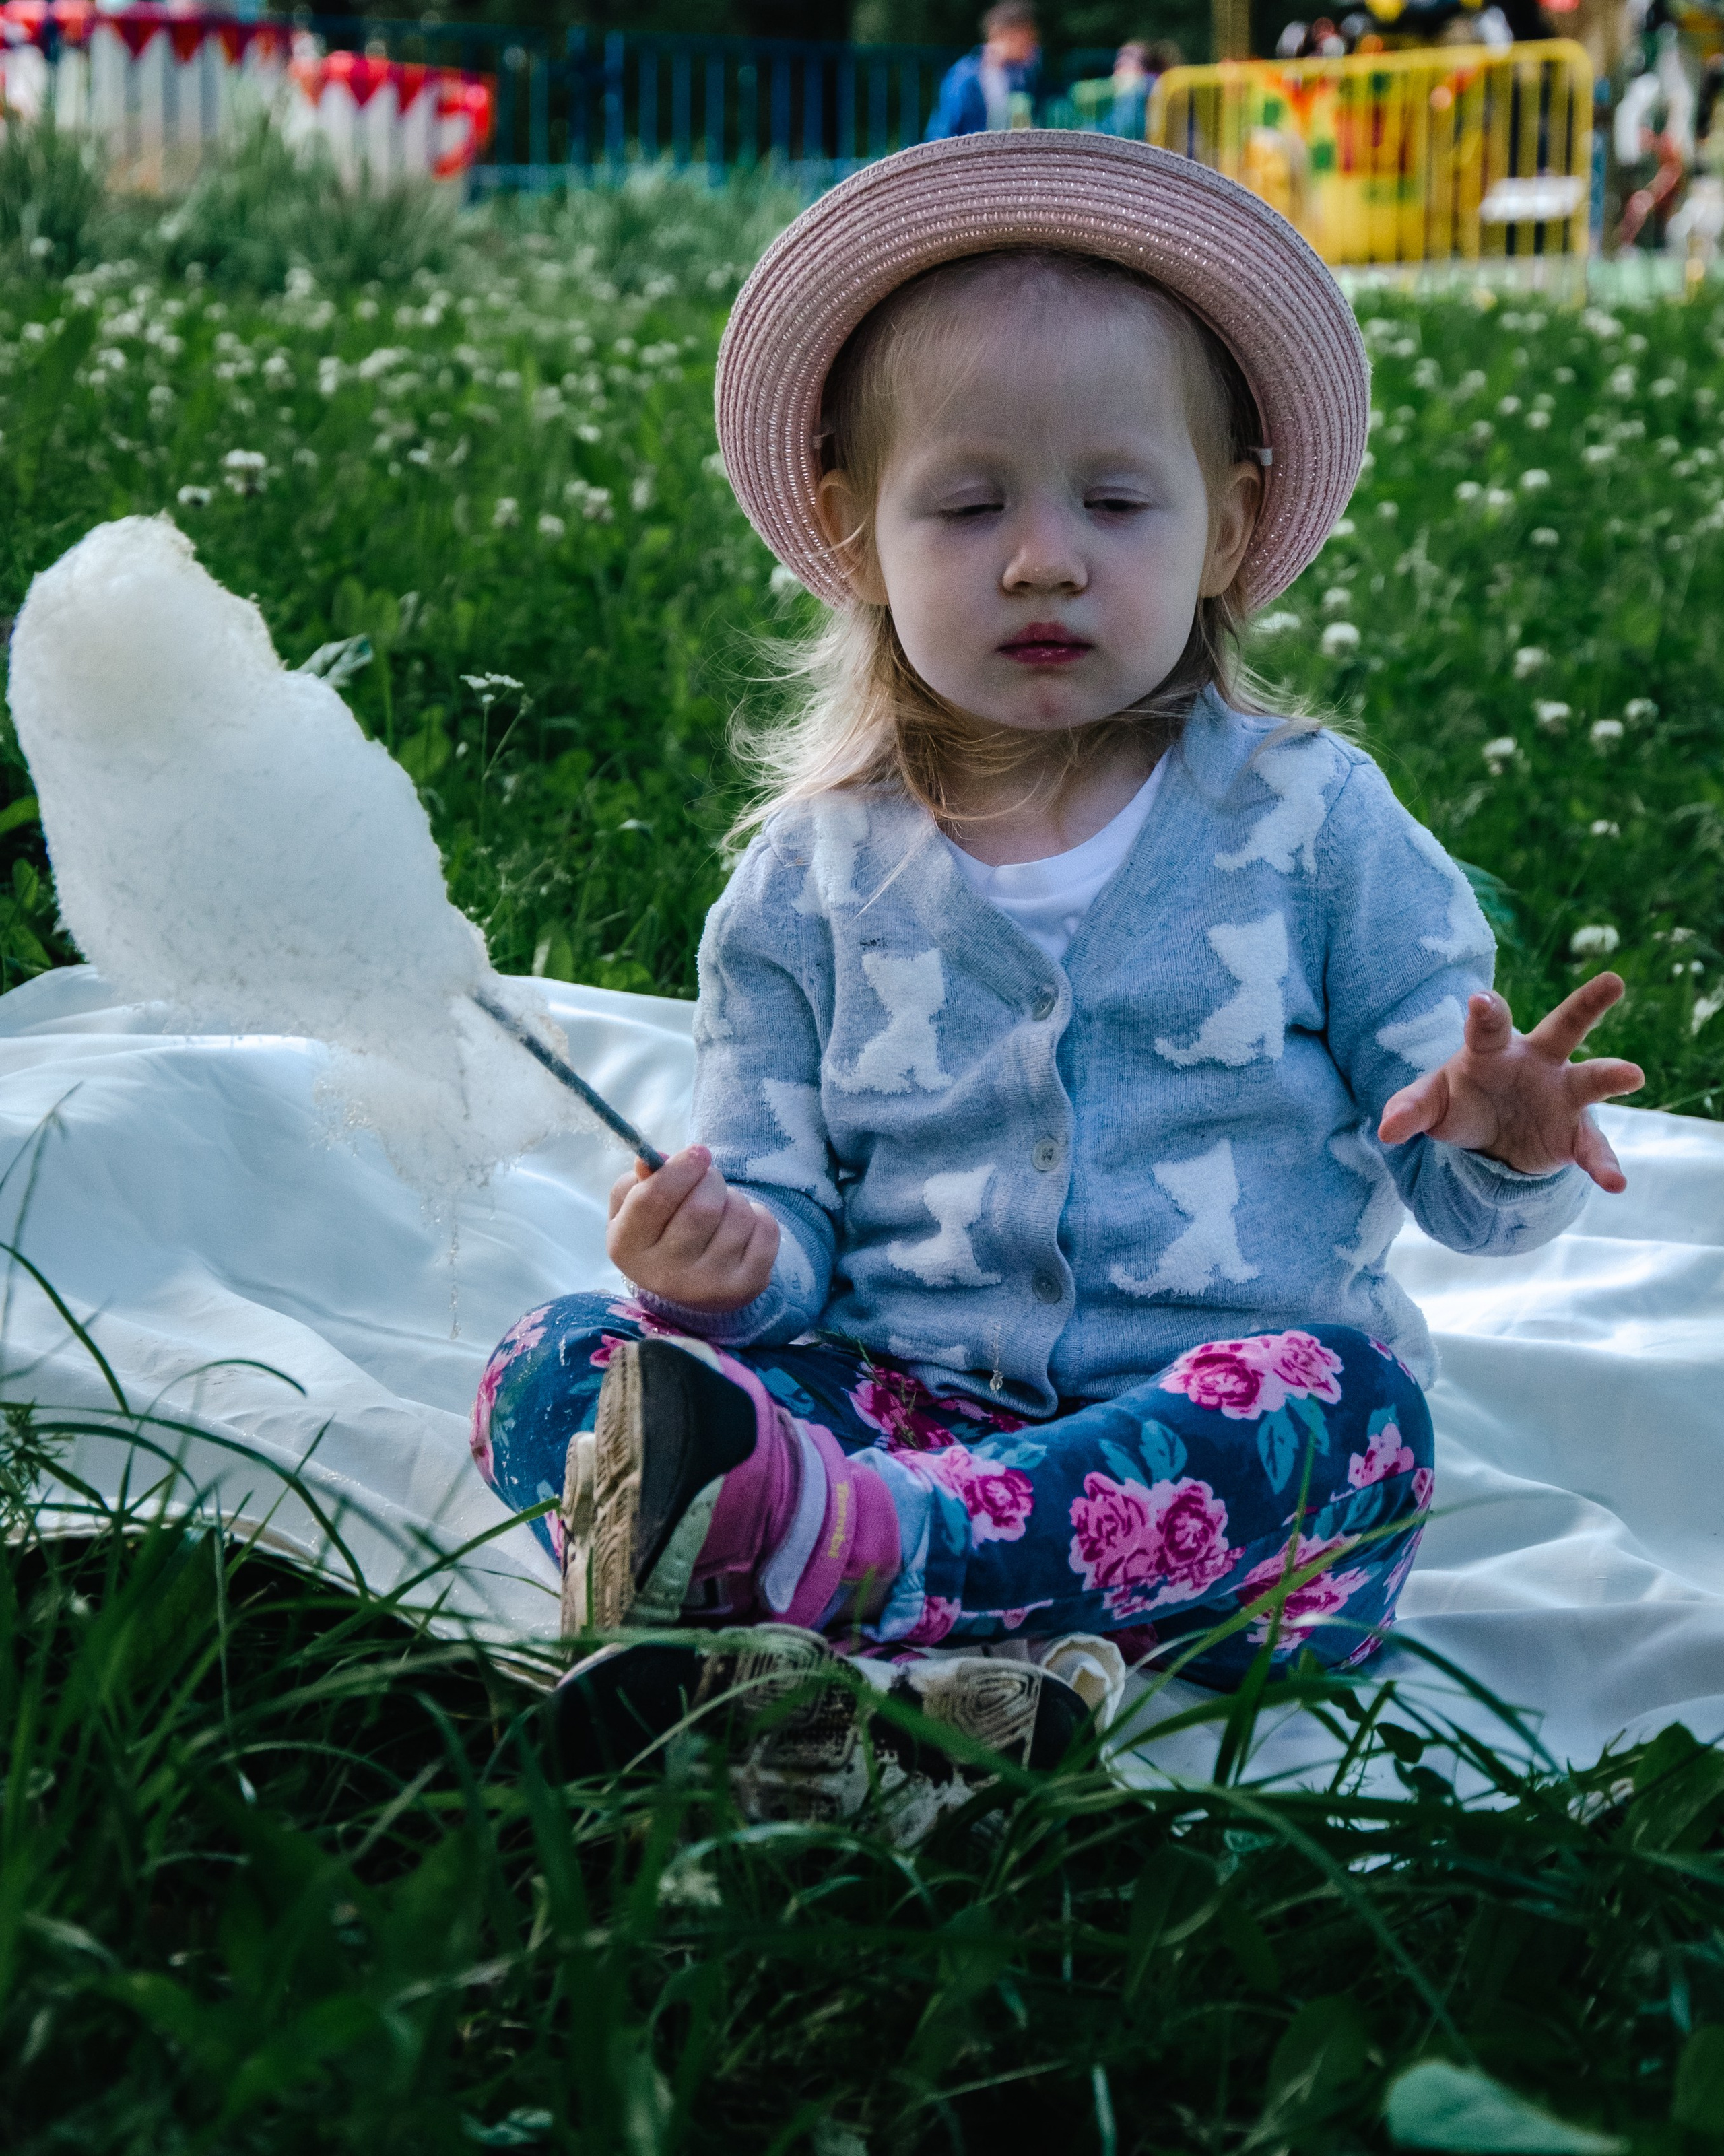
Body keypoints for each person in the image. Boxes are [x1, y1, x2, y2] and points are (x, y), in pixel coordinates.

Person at [473, 133, 1643, 1802]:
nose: (1041, 558)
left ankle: (814, 1583)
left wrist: (1502, 1135)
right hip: (903, 1404)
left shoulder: (1313, 822)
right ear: (849, 525)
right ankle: (919, 1667)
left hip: (1213, 1483)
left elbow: (1462, 1195)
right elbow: (786, 1230)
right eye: (966, 505)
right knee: (559, 1364)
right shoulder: (800, 884)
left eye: (1111, 501)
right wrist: (721, 1267)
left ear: (1227, 527)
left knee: (1340, 1403)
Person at [925, 1, 1041, 139]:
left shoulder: (1021, 77)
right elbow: (943, 130)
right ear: (1007, 35)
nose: (1034, 46)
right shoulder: (965, 77)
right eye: (1028, 40)